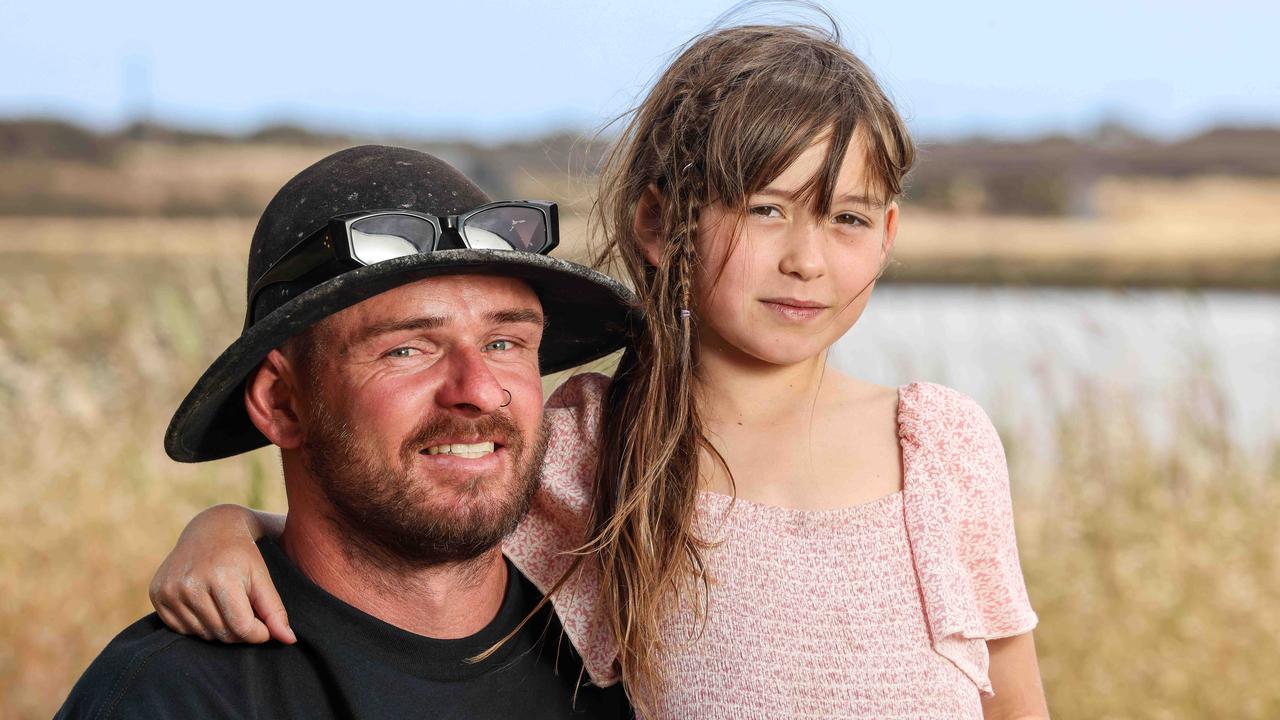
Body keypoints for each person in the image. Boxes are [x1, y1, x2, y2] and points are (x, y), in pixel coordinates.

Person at [147, 21, 1051, 719]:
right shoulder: (595, 441)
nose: (808, 261)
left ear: (888, 235)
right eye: (766, 209)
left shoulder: (936, 444)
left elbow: (1014, 696)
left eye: (847, 218)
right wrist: (229, 527)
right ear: (660, 225)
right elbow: (405, 525)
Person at [55, 145, 635, 719]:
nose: (479, 390)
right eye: (407, 349)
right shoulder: (176, 697)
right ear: (282, 403)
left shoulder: (624, 645)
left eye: (504, 343)